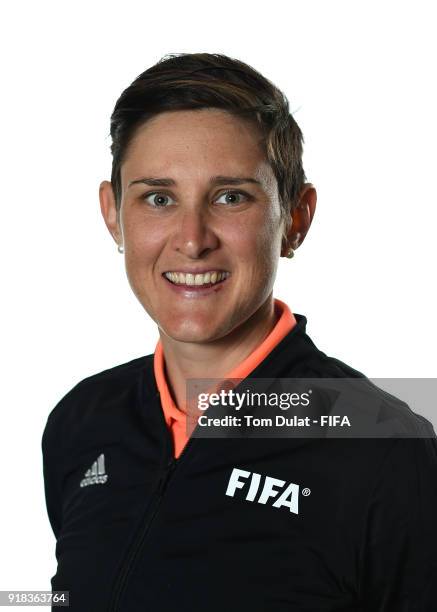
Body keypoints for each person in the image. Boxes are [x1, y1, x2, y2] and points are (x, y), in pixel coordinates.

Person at [42, 52, 437, 611]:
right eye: (158, 198)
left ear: (295, 219)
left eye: (231, 197)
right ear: (114, 215)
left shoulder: (383, 450)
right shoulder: (82, 421)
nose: (192, 238)